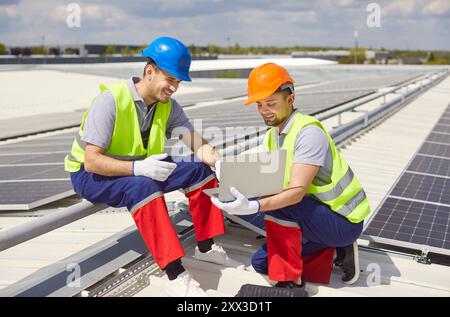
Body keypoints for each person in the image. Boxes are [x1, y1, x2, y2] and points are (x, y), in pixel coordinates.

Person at [64, 36, 241, 297]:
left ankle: (205, 248)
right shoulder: (110, 101)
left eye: (178, 82)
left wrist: (220, 163)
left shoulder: (168, 106)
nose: (174, 88)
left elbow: (198, 145)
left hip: (141, 167)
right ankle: (174, 274)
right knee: (144, 185)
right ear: (149, 72)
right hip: (91, 175)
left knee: (200, 169)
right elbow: (91, 161)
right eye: (171, 80)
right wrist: (137, 169)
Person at [212, 63, 371, 290]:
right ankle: (335, 249)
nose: (264, 110)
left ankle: (291, 283)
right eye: (259, 104)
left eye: (271, 103)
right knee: (261, 263)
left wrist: (255, 206)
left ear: (290, 99)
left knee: (278, 205)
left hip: (342, 220)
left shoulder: (308, 132)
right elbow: (267, 177)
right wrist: (229, 177)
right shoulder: (272, 136)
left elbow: (295, 193)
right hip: (314, 217)